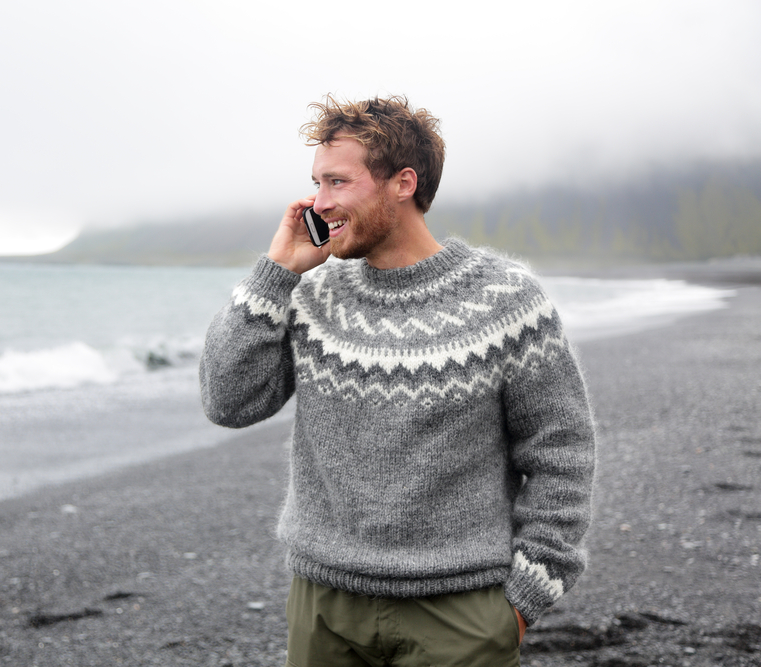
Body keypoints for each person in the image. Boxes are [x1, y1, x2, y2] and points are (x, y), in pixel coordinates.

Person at [199, 95, 596, 666]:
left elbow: (562, 449)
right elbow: (228, 402)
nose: (318, 203)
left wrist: (526, 596)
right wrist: (275, 276)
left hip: (461, 611)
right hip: (324, 606)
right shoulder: (312, 297)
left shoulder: (505, 301)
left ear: (403, 183)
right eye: (317, 183)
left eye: (338, 182)